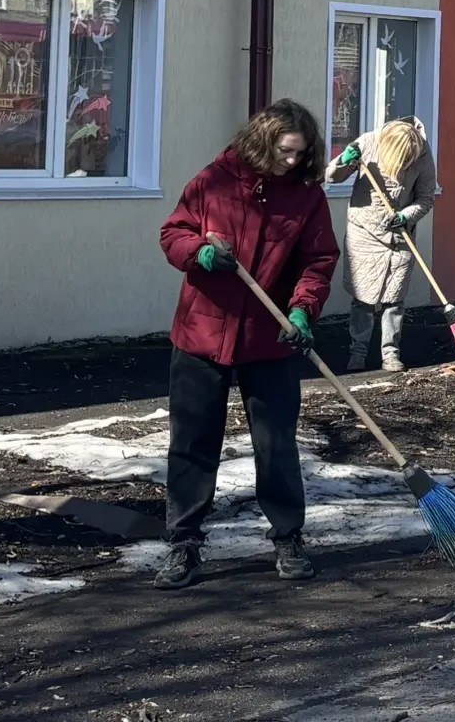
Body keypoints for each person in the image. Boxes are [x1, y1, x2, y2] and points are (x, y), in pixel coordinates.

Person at [156, 99, 340, 589]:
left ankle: (288, 538)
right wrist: (200, 253)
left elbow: (319, 261)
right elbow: (173, 233)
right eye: (284, 151)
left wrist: (303, 309)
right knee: (192, 444)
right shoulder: (214, 181)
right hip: (202, 333)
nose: (291, 162)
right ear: (263, 142)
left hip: (270, 338)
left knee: (276, 443)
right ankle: (184, 546)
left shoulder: (305, 196)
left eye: (300, 154)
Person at [327, 118, 436, 372]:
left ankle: (390, 353)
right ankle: (358, 352)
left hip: (399, 236)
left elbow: (426, 198)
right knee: (363, 299)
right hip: (363, 233)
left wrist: (406, 216)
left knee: (394, 299)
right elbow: (332, 176)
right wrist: (345, 159)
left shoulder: (422, 152)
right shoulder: (367, 143)